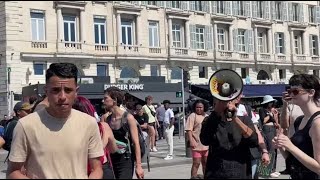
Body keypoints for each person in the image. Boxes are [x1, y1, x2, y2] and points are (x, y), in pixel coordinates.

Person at [7, 63, 104, 179]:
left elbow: (96, 169)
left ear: (76, 91)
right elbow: (13, 171)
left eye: (68, 90)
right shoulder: (26, 125)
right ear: (46, 91)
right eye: (56, 90)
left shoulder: (89, 123)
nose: (62, 96)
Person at [273, 74, 320, 179]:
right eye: (289, 91)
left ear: (311, 93)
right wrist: (281, 146)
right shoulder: (300, 120)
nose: (291, 95)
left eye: (295, 91)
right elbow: (292, 158)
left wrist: (290, 146)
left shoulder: (317, 122)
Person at [200, 97, 258, 178]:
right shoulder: (210, 120)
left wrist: (235, 118)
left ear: (236, 102)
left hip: (240, 172)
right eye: (222, 101)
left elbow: (253, 140)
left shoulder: (244, 119)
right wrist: (216, 112)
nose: (226, 104)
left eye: (229, 101)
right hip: (216, 173)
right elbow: (204, 140)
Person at [73, 96, 118, 179]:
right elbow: (113, 149)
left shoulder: (70, 130)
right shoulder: (103, 127)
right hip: (102, 169)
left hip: (79, 170)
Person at [104, 87, 144, 179]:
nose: (103, 100)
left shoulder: (128, 118)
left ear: (114, 100)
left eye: (106, 98)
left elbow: (136, 143)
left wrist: (139, 166)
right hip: (111, 159)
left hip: (125, 160)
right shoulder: (107, 119)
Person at [234, 95, 270, 179]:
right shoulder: (220, 109)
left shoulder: (247, 109)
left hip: (250, 153)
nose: (237, 96)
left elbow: (256, 131)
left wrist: (264, 151)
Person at [279, 90, 304, 175]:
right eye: (290, 90)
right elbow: (284, 125)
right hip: (294, 145)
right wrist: (285, 104)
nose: (292, 93)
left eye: (295, 90)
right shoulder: (291, 105)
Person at [185, 99, 209, 178]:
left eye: (200, 107)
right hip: (196, 145)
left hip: (206, 145)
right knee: (196, 163)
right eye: (197, 107)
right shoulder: (192, 116)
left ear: (204, 107)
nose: (199, 109)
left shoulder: (207, 116)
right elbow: (189, 129)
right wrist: (191, 141)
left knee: (206, 163)